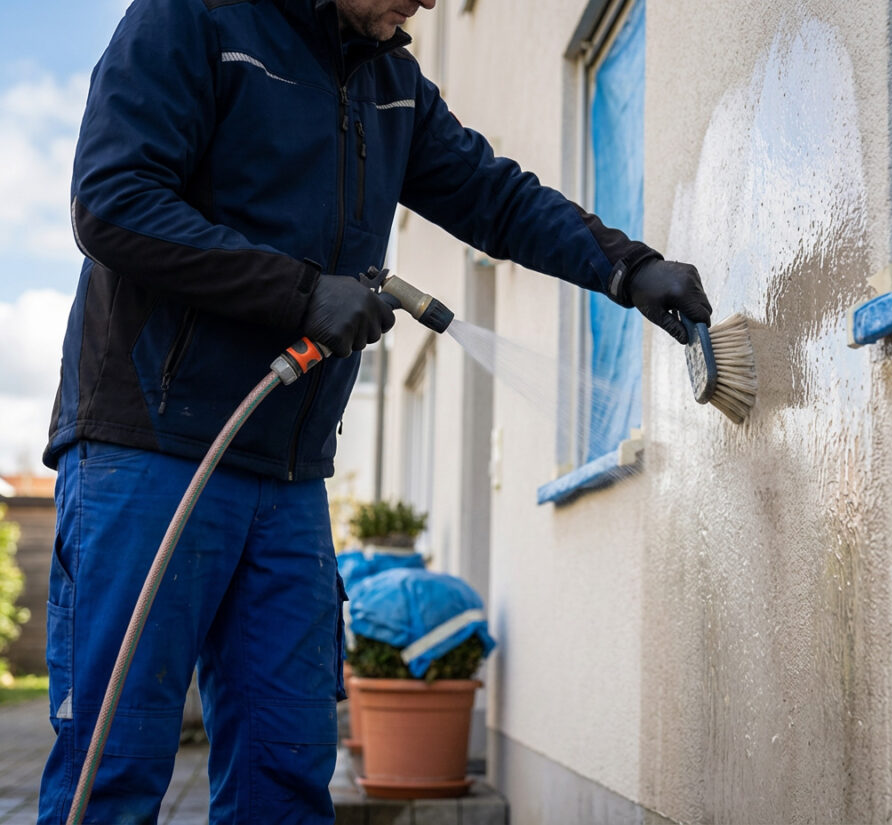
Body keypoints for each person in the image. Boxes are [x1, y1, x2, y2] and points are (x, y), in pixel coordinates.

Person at [38, 0, 713, 822]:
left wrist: (625, 267)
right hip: (151, 444)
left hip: (286, 474)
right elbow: (112, 199)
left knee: (284, 772)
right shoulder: (195, 19)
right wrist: (295, 292)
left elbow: (492, 197)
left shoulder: (389, 79)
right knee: (113, 767)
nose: (428, 1)